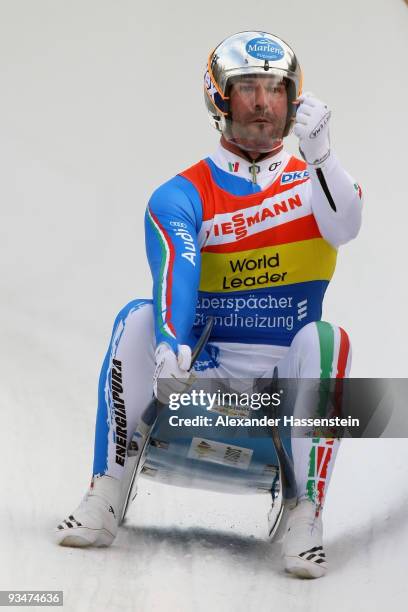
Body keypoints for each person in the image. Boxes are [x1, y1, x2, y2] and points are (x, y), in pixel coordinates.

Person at [55, 31, 362, 579]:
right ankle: (106, 488)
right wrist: (172, 342)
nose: (264, 104)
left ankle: (306, 511)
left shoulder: (319, 181)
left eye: (276, 89)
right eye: (248, 89)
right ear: (219, 97)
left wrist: (323, 157)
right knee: (137, 317)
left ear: (294, 100)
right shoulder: (181, 191)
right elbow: (177, 262)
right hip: (198, 377)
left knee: (329, 339)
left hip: (280, 392)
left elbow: (346, 226)